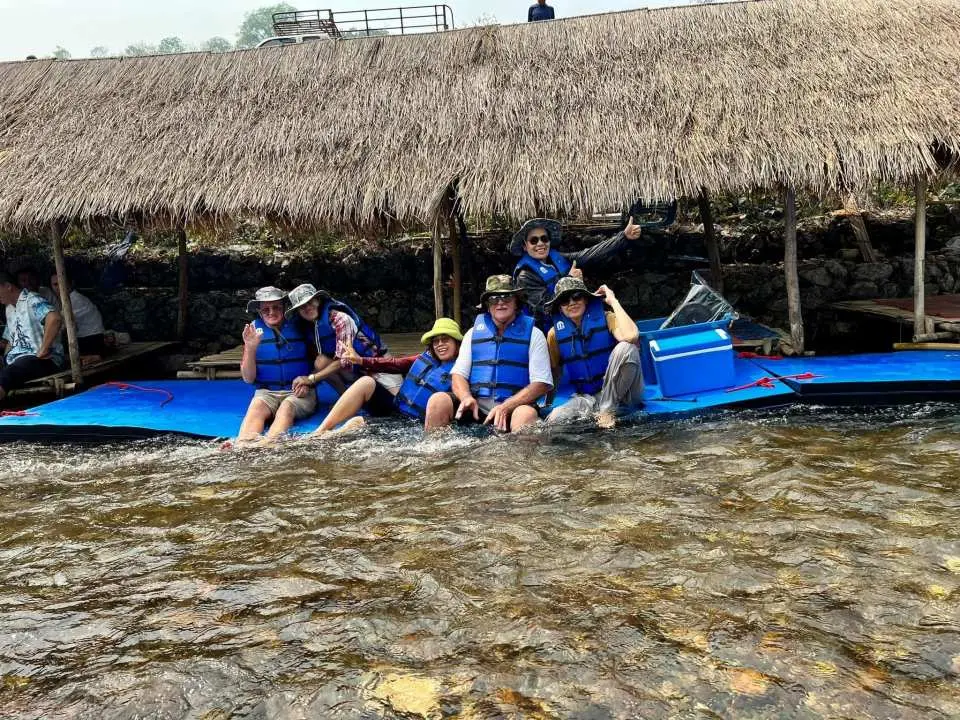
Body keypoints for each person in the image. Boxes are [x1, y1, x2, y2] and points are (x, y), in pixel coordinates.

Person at [425, 275, 552, 433]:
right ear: (487, 305)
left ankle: (519, 448)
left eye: (506, 297)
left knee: (526, 414)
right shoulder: (472, 334)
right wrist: (466, 397)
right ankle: (435, 447)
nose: (500, 303)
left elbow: (541, 383)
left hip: (514, 409)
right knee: (438, 400)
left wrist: (506, 407)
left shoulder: (535, 334)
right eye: (493, 299)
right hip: (476, 409)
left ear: (516, 302)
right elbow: (458, 376)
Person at [314, 317, 463, 435]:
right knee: (366, 382)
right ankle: (320, 432)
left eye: (445, 339)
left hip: (419, 423)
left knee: (357, 423)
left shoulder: (463, 370)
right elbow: (394, 364)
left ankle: (334, 435)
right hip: (397, 411)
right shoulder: (424, 359)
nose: (440, 344)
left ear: (457, 343)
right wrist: (360, 360)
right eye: (436, 341)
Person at [543, 276, 643, 429]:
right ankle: (602, 414)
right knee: (556, 417)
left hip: (623, 393)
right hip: (588, 397)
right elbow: (554, 371)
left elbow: (631, 336)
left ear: (586, 300)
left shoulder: (607, 317)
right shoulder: (554, 334)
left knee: (627, 348)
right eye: (564, 300)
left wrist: (613, 301)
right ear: (559, 307)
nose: (571, 303)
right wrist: (547, 403)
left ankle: (607, 410)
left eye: (577, 296)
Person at [511, 216, 642, 328]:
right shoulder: (525, 275)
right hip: (549, 330)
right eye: (534, 240)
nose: (540, 243)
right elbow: (544, 307)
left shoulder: (556, 258)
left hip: (573, 320)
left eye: (544, 238)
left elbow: (589, 256)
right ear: (525, 246)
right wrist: (570, 279)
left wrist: (623, 237)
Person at [235, 286, 317, 444]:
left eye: (276, 307)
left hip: (298, 392)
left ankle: (269, 445)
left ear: (284, 307)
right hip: (267, 392)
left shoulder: (301, 326)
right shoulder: (253, 331)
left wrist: (309, 381)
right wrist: (250, 348)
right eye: (266, 309)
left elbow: (319, 362)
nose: (271, 312)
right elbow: (248, 378)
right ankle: (243, 446)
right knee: (256, 408)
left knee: (286, 407)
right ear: (259, 312)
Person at [286, 283, 392, 396]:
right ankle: (347, 396)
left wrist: (311, 379)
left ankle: (362, 394)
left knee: (397, 401)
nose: (307, 308)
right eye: (302, 306)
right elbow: (317, 363)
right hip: (354, 370)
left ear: (318, 300)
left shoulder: (340, 318)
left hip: (376, 364)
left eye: (310, 302)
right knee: (320, 361)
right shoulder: (309, 327)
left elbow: (344, 360)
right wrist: (305, 382)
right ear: (298, 311)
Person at [0, 271, 64, 401]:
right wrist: (5, 360)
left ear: (8, 286)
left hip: (42, 360)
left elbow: (54, 319)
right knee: (9, 370)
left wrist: (43, 349)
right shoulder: (9, 309)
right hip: (19, 362)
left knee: (9, 373)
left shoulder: (32, 299)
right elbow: (11, 341)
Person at [50, 273, 106, 360]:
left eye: (62, 282)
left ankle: (90, 357)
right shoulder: (70, 298)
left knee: (57, 355)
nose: (59, 287)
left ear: (70, 283)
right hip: (90, 339)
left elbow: (61, 325)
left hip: (92, 340)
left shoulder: (75, 300)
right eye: (55, 284)